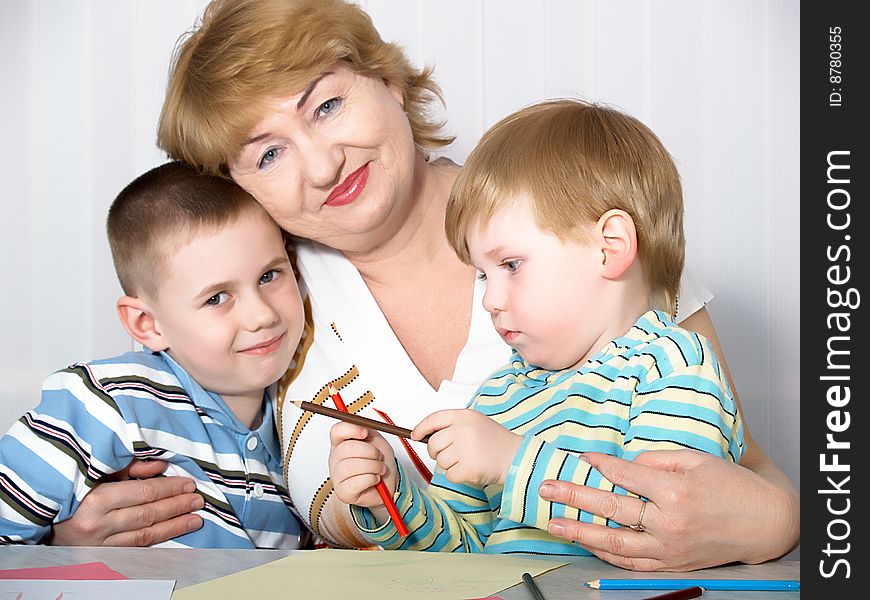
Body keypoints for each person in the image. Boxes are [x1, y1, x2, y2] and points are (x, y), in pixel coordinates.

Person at [54, 0, 798, 570]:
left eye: (328, 105)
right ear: (238, 189)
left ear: (386, 78)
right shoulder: (262, 299)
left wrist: (771, 523)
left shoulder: (568, 222)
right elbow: (197, 469)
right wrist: (77, 537)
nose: (322, 165)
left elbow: (747, 472)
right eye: (268, 153)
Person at [327, 98, 744, 555]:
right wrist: (394, 502)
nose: (488, 298)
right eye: (483, 274)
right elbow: (462, 556)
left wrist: (510, 462)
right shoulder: (496, 397)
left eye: (511, 264)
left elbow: (661, 524)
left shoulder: (672, 366)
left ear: (610, 248)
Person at [0, 161, 306, 549]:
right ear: (148, 324)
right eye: (217, 298)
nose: (262, 314)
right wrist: (58, 553)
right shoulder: (110, 403)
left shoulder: (301, 417)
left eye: (269, 276)